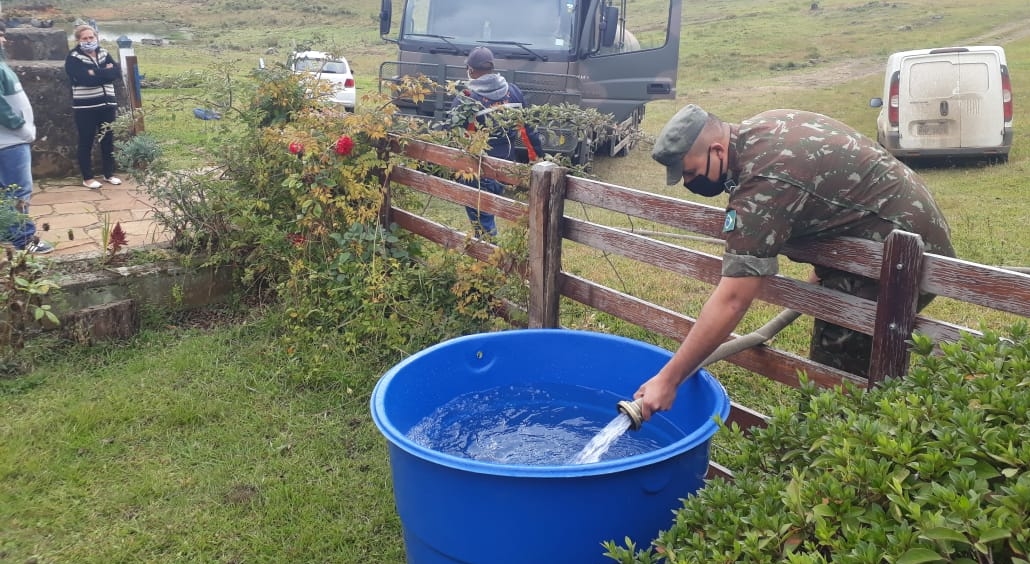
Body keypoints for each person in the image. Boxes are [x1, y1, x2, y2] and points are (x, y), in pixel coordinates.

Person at [635, 104, 955, 420]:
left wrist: (668, 380)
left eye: (690, 172)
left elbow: (733, 299)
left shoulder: (765, 179)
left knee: (837, 370)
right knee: (854, 367)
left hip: (902, 257)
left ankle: (839, 449)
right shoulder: (760, 128)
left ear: (717, 151)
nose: (690, 183)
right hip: (892, 232)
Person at [448, 46, 542, 237]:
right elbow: (528, 131)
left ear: (471, 70)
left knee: (483, 222)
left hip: (478, 169)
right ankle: (487, 255)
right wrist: (537, 159)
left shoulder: (467, 99)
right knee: (486, 215)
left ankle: (490, 260)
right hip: (505, 168)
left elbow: (456, 136)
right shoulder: (513, 91)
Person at [0, 22, 53, 254]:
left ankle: (5, 231)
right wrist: (22, 129)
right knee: (19, 191)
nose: (3, 41)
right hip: (10, 140)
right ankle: (24, 239)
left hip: (8, 140)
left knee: (6, 190)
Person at [65, 24, 122, 190]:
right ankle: (87, 177)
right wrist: (104, 72)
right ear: (78, 40)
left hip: (107, 105)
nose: (89, 40)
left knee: (108, 139)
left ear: (96, 37)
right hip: (86, 108)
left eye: (91, 37)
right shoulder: (73, 57)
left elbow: (116, 73)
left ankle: (109, 174)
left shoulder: (104, 53)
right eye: (85, 38)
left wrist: (95, 72)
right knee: (86, 141)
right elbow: (84, 79)